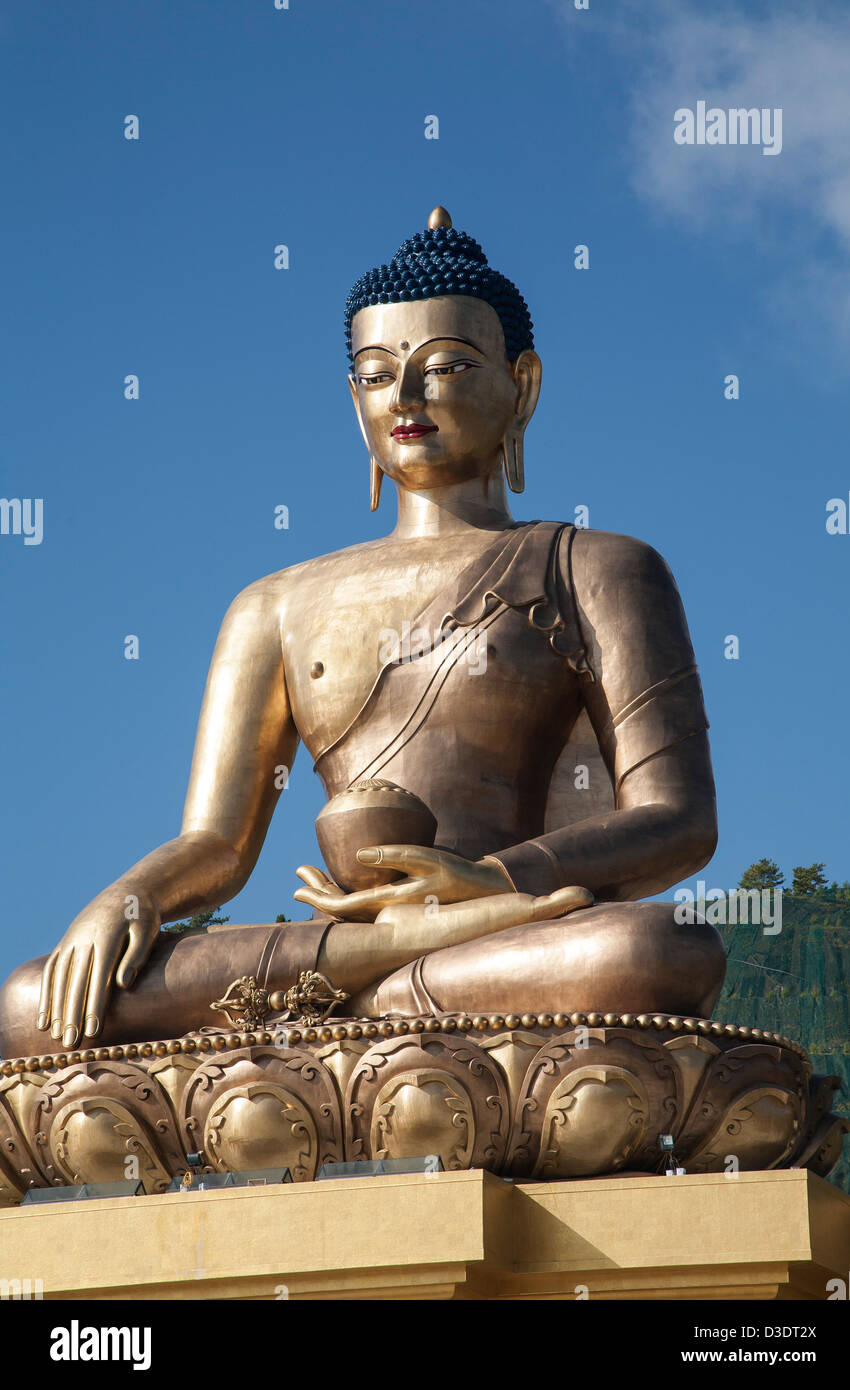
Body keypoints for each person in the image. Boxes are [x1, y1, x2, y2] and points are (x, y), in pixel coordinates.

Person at [0, 208, 724, 1059]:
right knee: (32, 1003)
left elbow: (678, 819)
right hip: (355, 940)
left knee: (656, 948)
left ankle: (353, 1005)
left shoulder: (595, 564)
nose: (407, 400)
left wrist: (492, 879)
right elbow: (217, 846)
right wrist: (128, 897)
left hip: (511, 932)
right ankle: (387, 968)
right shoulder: (272, 602)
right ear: (355, 401)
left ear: (522, 384)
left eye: (445, 366)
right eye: (379, 375)